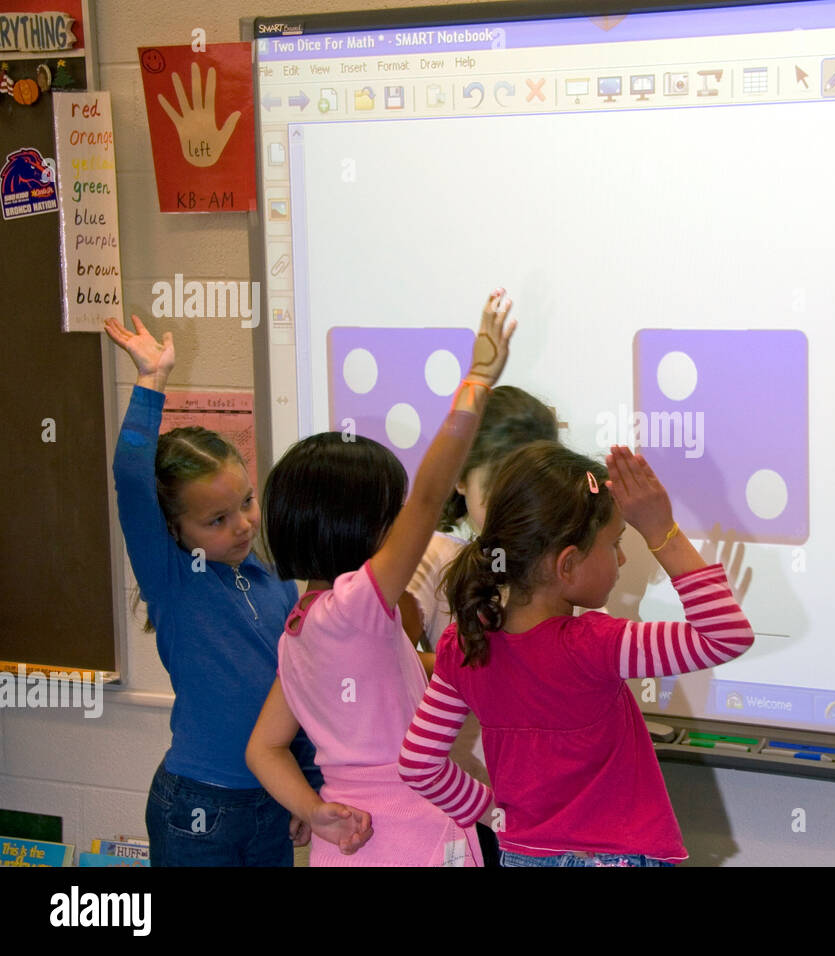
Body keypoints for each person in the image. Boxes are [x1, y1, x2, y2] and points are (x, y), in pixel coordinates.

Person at [245, 289, 516, 866]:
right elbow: (430, 497)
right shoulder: (356, 606)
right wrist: (477, 381)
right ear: (363, 526)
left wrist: (315, 809)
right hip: (414, 837)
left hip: (346, 845)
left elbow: (264, 748)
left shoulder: (299, 629)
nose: (404, 528)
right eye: (392, 515)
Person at [398, 443, 754, 866]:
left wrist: (497, 815)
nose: (622, 558)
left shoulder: (464, 645)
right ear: (566, 565)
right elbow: (726, 636)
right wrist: (662, 531)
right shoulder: (597, 644)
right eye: (614, 543)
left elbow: (418, 764)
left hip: (523, 855)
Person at [105, 315, 321, 866]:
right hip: (197, 807)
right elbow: (131, 479)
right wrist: (151, 381)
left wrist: (309, 788)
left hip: (272, 798)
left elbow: (296, 691)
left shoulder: (277, 581)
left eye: (246, 502)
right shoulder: (174, 579)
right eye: (217, 520)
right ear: (174, 530)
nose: (243, 525)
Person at [398, 385, 558, 866]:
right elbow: (390, 658)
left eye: (526, 487)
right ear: (461, 479)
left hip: (544, 792)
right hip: (471, 799)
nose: (512, 504)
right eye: (497, 484)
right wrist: (484, 667)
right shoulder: (434, 556)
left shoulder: (554, 562)